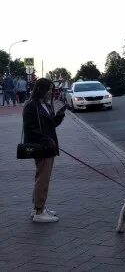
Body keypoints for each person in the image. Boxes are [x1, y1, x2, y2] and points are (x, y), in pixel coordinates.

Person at [23, 78, 66, 223]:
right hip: (43, 147)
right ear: (41, 89)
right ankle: (39, 212)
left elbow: (50, 125)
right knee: (43, 179)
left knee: (40, 176)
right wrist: (46, 140)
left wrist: (59, 117)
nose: (51, 93)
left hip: (49, 146)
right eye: (49, 90)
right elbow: (30, 129)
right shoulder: (31, 106)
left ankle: (38, 208)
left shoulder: (44, 105)